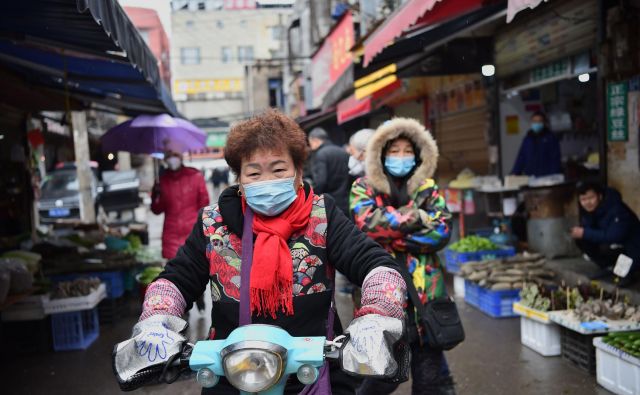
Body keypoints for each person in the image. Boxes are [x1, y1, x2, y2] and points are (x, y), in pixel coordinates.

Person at [114, 110, 407, 394]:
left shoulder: (322, 214)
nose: (266, 181)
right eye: (253, 172)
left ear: (298, 171)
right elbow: (177, 279)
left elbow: (375, 264)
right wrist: (156, 318)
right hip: (229, 373)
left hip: (315, 369)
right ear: (239, 180)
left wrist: (376, 313)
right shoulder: (212, 223)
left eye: (279, 169)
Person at [350, 118, 455, 395]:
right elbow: (367, 224)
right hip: (383, 295)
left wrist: (393, 236)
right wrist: (417, 217)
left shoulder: (428, 189)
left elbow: (441, 231)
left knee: (431, 379)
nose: (401, 157)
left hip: (425, 297)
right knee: (377, 377)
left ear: (418, 155)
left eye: (407, 151)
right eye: (394, 151)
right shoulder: (363, 187)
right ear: (381, 155)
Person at [151, 151, 209, 312]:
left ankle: (200, 298)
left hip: (192, 229)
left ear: (181, 157)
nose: (172, 159)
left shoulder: (195, 176)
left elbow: (204, 203)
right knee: (176, 270)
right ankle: (180, 309)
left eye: (174, 155)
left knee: (196, 268)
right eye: (168, 155)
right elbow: (157, 209)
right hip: (171, 231)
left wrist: (200, 225)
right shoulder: (162, 180)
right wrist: (155, 194)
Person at [571, 181, 640, 286]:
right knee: (582, 239)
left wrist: (585, 233)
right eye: (583, 199)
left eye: (591, 198)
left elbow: (615, 236)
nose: (587, 203)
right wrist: (583, 233)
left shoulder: (617, 209)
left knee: (622, 278)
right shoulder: (588, 211)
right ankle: (609, 266)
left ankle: (630, 271)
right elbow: (588, 229)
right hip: (615, 247)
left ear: (600, 196)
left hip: (632, 249)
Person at [307, 127, 351, 215]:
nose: (311, 147)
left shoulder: (320, 154)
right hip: (346, 200)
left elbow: (321, 182)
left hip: (330, 203)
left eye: (310, 143)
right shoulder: (343, 152)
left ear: (315, 140)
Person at [511, 111, 562, 177]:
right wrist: (515, 172)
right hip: (530, 177)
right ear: (531, 123)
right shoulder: (527, 139)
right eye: (534, 121)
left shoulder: (551, 139)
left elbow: (555, 159)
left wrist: (554, 176)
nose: (537, 124)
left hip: (546, 178)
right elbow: (521, 157)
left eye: (539, 121)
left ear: (544, 123)